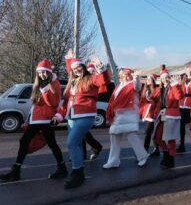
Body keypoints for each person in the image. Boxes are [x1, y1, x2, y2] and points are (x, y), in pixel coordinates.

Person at [0, 60, 67, 182]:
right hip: (36, 119)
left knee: (50, 144)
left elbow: (52, 103)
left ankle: (61, 168)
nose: (42, 74)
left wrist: (45, 89)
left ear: (49, 72)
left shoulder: (54, 83)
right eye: (40, 72)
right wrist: (28, 120)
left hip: (46, 119)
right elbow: (35, 105)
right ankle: (16, 170)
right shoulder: (39, 84)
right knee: (27, 141)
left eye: (44, 72)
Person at [53, 56, 110, 189]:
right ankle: (77, 169)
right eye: (74, 69)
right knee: (76, 144)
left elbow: (103, 81)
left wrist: (100, 67)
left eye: (79, 67)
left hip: (86, 114)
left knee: (71, 143)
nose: (77, 70)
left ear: (83, 67)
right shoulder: (72, 82)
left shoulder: (90, 79)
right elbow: (66, 103)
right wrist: (59, 116)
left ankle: (78, 172)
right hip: (71, 116)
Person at [103, 68, 149, 169]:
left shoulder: (133, 84)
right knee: (114, 138)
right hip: (117, 116)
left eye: (127, 75)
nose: (125, 77)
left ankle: (143, 157)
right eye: (123, 75)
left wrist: (136, 77)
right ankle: (113, 160)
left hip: (129, 115)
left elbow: (137, 86)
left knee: (132, 137)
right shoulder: (118, 86)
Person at [153, 69, 183, 168]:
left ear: (169, 77)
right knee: (158, 137)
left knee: (170, 138)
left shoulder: (174, 86)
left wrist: (175, 85)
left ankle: (171, 159)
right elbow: (156, 100)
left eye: (166, 77)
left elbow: (179, 97)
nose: (164, 79)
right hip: (162, 113)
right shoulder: (160, 88)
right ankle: (166, 154)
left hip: (171, 113)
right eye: (162, 77)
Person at [177, 65, 191, 153]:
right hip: (182, 105)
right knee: (181, 126)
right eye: (187, 70)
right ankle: (182, 145)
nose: (189, 72)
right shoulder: (183, 80)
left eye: (190, 70)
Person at [139, 73, 160, 155]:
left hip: (155, 113)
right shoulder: (145, 89)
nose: (147, 80)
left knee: (152, 132)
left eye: (149, 79)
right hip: (148, 114)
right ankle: (151, 149)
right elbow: (142, 102)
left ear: (153, 81)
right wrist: (141, 112)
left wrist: (152, 102)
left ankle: (148, 150)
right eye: (147, 79)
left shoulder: (157, 89)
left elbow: (159, 102)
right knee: (148, 132)